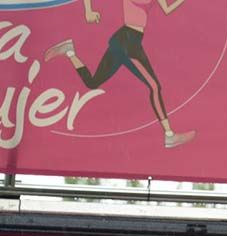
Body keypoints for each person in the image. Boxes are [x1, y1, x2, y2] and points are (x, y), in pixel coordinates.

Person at [43, 0, 196, 148]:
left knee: (93, 83)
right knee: (155, 87)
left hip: (126, 41)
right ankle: (169, 135)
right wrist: (88, 10)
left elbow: (167, 9)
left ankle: (69, 51)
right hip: (128, 42)